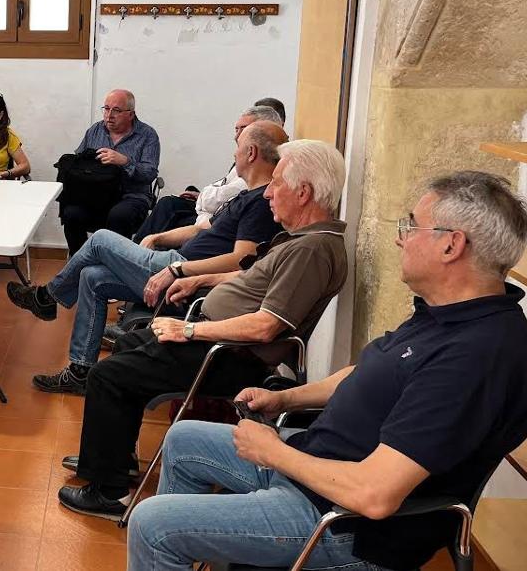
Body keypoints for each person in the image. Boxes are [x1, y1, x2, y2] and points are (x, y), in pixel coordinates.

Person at [128, 171, 527, 571]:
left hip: (344, 524)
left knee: (155, 525)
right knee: (184, 438)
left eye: (412, 226)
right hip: (315, 463)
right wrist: (286, 398)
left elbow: (374, 495)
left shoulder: (474, 358)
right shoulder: (447, 313)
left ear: (452, 245)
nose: (401, 237)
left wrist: (275, 453)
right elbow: (371, 372)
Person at [57, 139, 349, 520]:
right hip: (218, 338)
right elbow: (251, 277)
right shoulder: (302, 242)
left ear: (304, 192)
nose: (269, 195)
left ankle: (108, 493)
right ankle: (114, 458)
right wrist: (199, 281)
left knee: (108, 374)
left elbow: (266, 326)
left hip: (230, 356)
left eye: (276, 184)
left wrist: (189, 332)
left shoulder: (312, 250)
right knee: (129, 340)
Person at [7, 121, 288, 394]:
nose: (233, 153)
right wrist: (158, 237)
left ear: (250, 153)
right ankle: (81, 371)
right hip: (174, 262)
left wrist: (178, 269)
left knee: (101, 239)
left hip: (185, 276)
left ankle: (47, 297)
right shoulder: (246, 195)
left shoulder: (261, 202)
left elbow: (241, 259)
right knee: (91, 277)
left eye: (238, 146)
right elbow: (201, 228)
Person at [135, 103, 285, 246]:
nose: (237, 136)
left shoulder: (259, 178)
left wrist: (177, 268)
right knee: (170, 203)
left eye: (243, 129)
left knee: (165, 208)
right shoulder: (246, 163)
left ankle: (134, 254)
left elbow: (215, 202)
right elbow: (219, 191)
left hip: (211, 229)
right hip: (208, 223)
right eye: (236, 130)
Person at [60, 89, 161, 255]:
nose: (109, 115)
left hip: (132, 195)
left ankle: (110, 266)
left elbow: (149, 174)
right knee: (70, 213)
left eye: (116, 110)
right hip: (97, 195)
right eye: (106, 109)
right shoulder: (95, 130)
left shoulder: (147, 135)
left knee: (118, 215)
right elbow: (80, 161)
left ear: (130, 114)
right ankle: (80, 261)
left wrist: (125, 162)